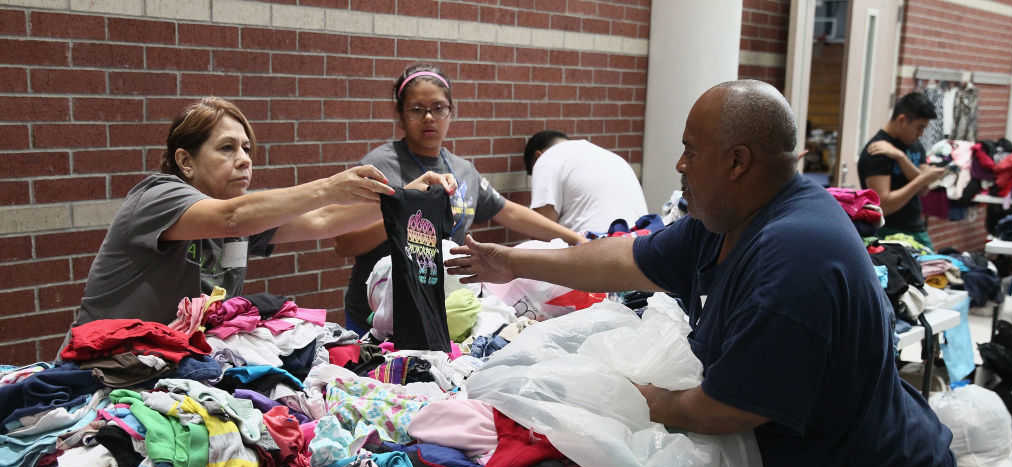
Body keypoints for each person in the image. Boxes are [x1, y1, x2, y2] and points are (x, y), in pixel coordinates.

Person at [447, 80, 955, 467]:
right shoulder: (730, 221)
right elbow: (629, 258)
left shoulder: (794, 256)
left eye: (691, 148)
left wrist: (636, 401)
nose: (680, 164)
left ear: (738, 161)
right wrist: (514, 262)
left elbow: (727, 408)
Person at [74, 96, 451, 327]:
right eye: (227, 149)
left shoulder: (244, 216)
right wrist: (327, 187)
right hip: (103, 371)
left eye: (247, 149)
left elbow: (323, 220)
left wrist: (408, 197)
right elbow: (232, 217)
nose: (243, 160)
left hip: (170, 373)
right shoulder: (157, 197)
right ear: (185, 161)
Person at [333, 63, 584, 335]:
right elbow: (346, 243)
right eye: (417, 109)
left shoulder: (462, 169)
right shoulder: (380, 165)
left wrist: (573, 238)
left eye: (439, 108)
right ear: (401, 115)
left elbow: (508, 211)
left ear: (451, 112)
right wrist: (406, 207)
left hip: (447, 311)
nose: (429, 117)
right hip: (381, 313)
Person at [857, 91, 947, 249]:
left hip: (917, 230)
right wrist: (922, 179)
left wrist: (901, 158)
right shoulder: (878, 151)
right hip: (887, 233)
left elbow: (924, 190)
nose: (921, 134)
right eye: (919, 128)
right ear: (902, 120)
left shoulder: (915, 146)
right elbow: (883, 206)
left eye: (924, 128)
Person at [523, 130, 649, 234]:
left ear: (538, 156)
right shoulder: (608, 156)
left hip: (597, 247)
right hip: (640, 244)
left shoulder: (547, 158)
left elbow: (541, 230)